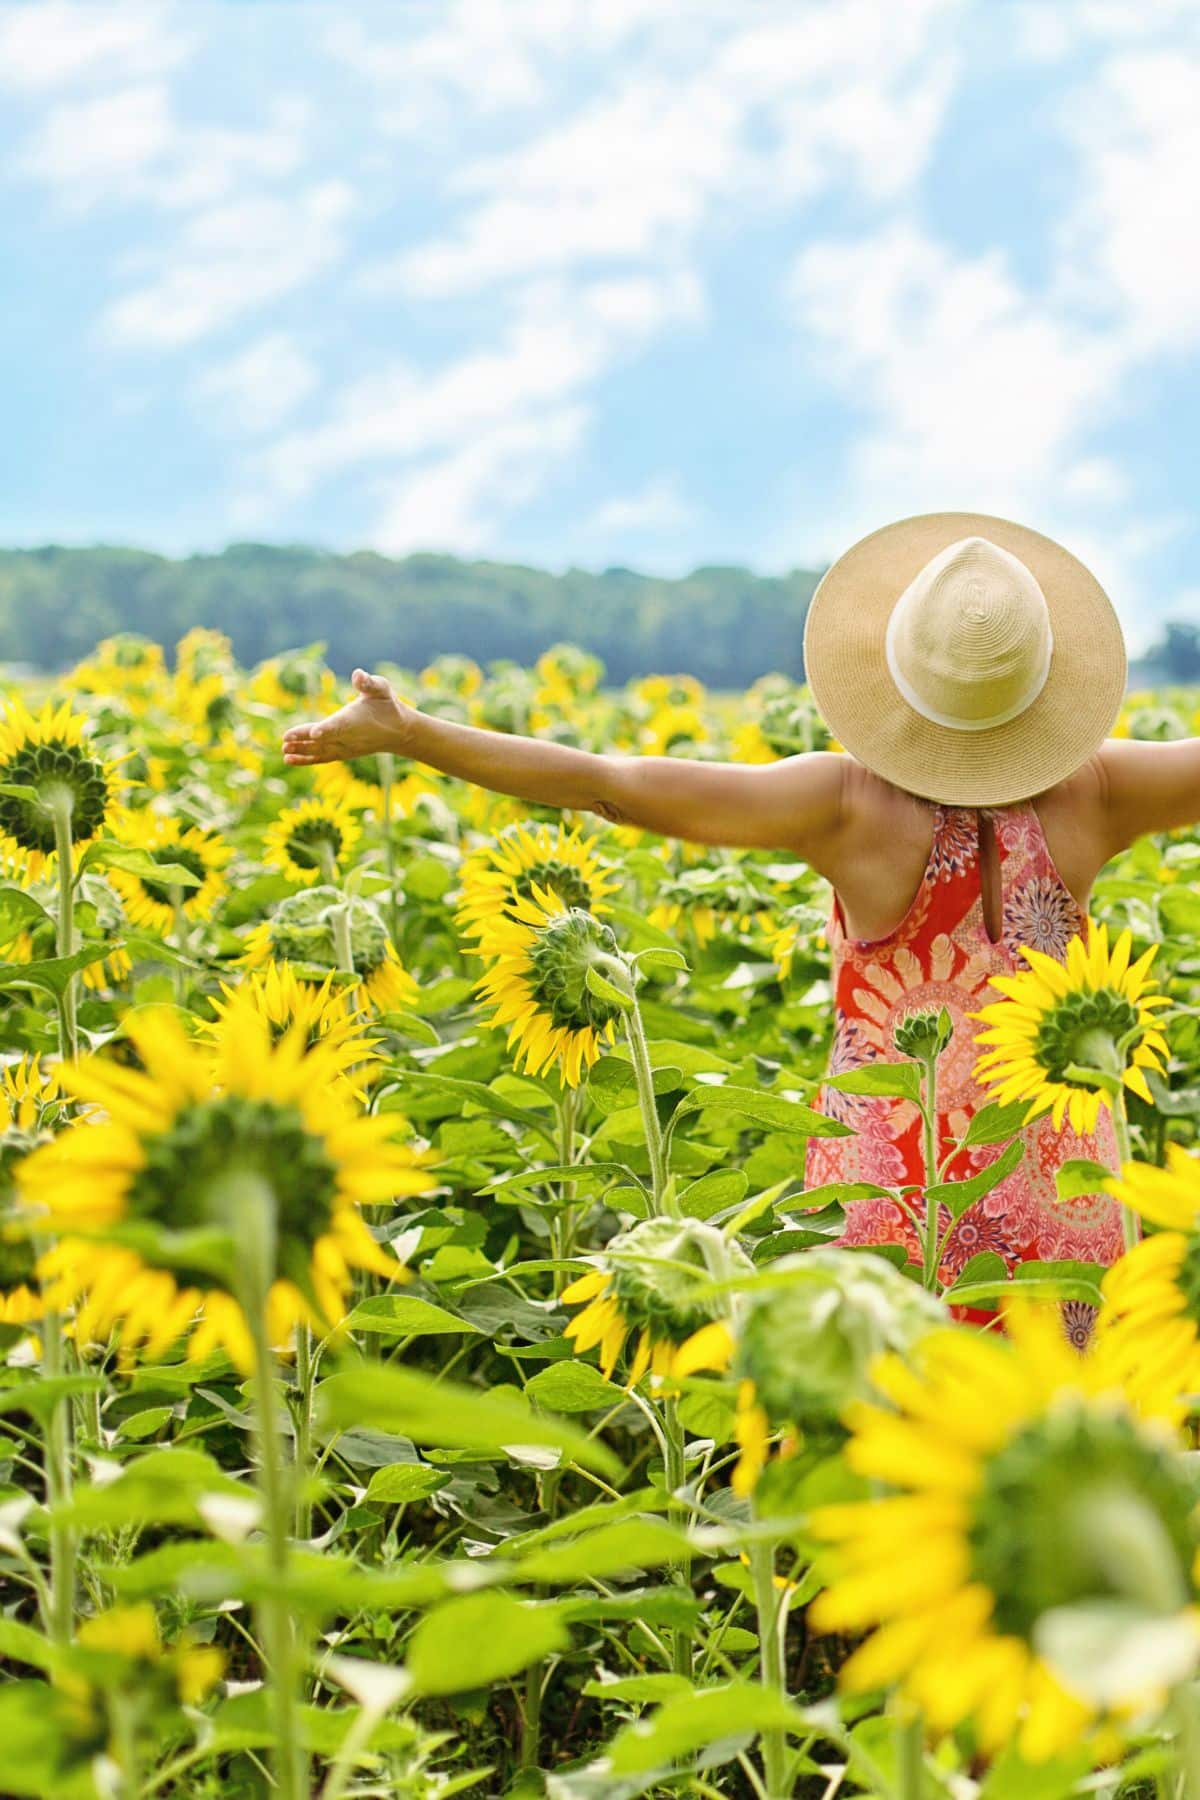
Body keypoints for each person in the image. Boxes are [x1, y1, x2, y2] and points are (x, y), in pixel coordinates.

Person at [282, 510, 1197, 1306]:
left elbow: (611, 786)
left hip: (898, 1195)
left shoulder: (846, 806)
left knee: (882, 1451)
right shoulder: (1100, 792)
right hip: (1060, 1186)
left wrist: (412, 733)